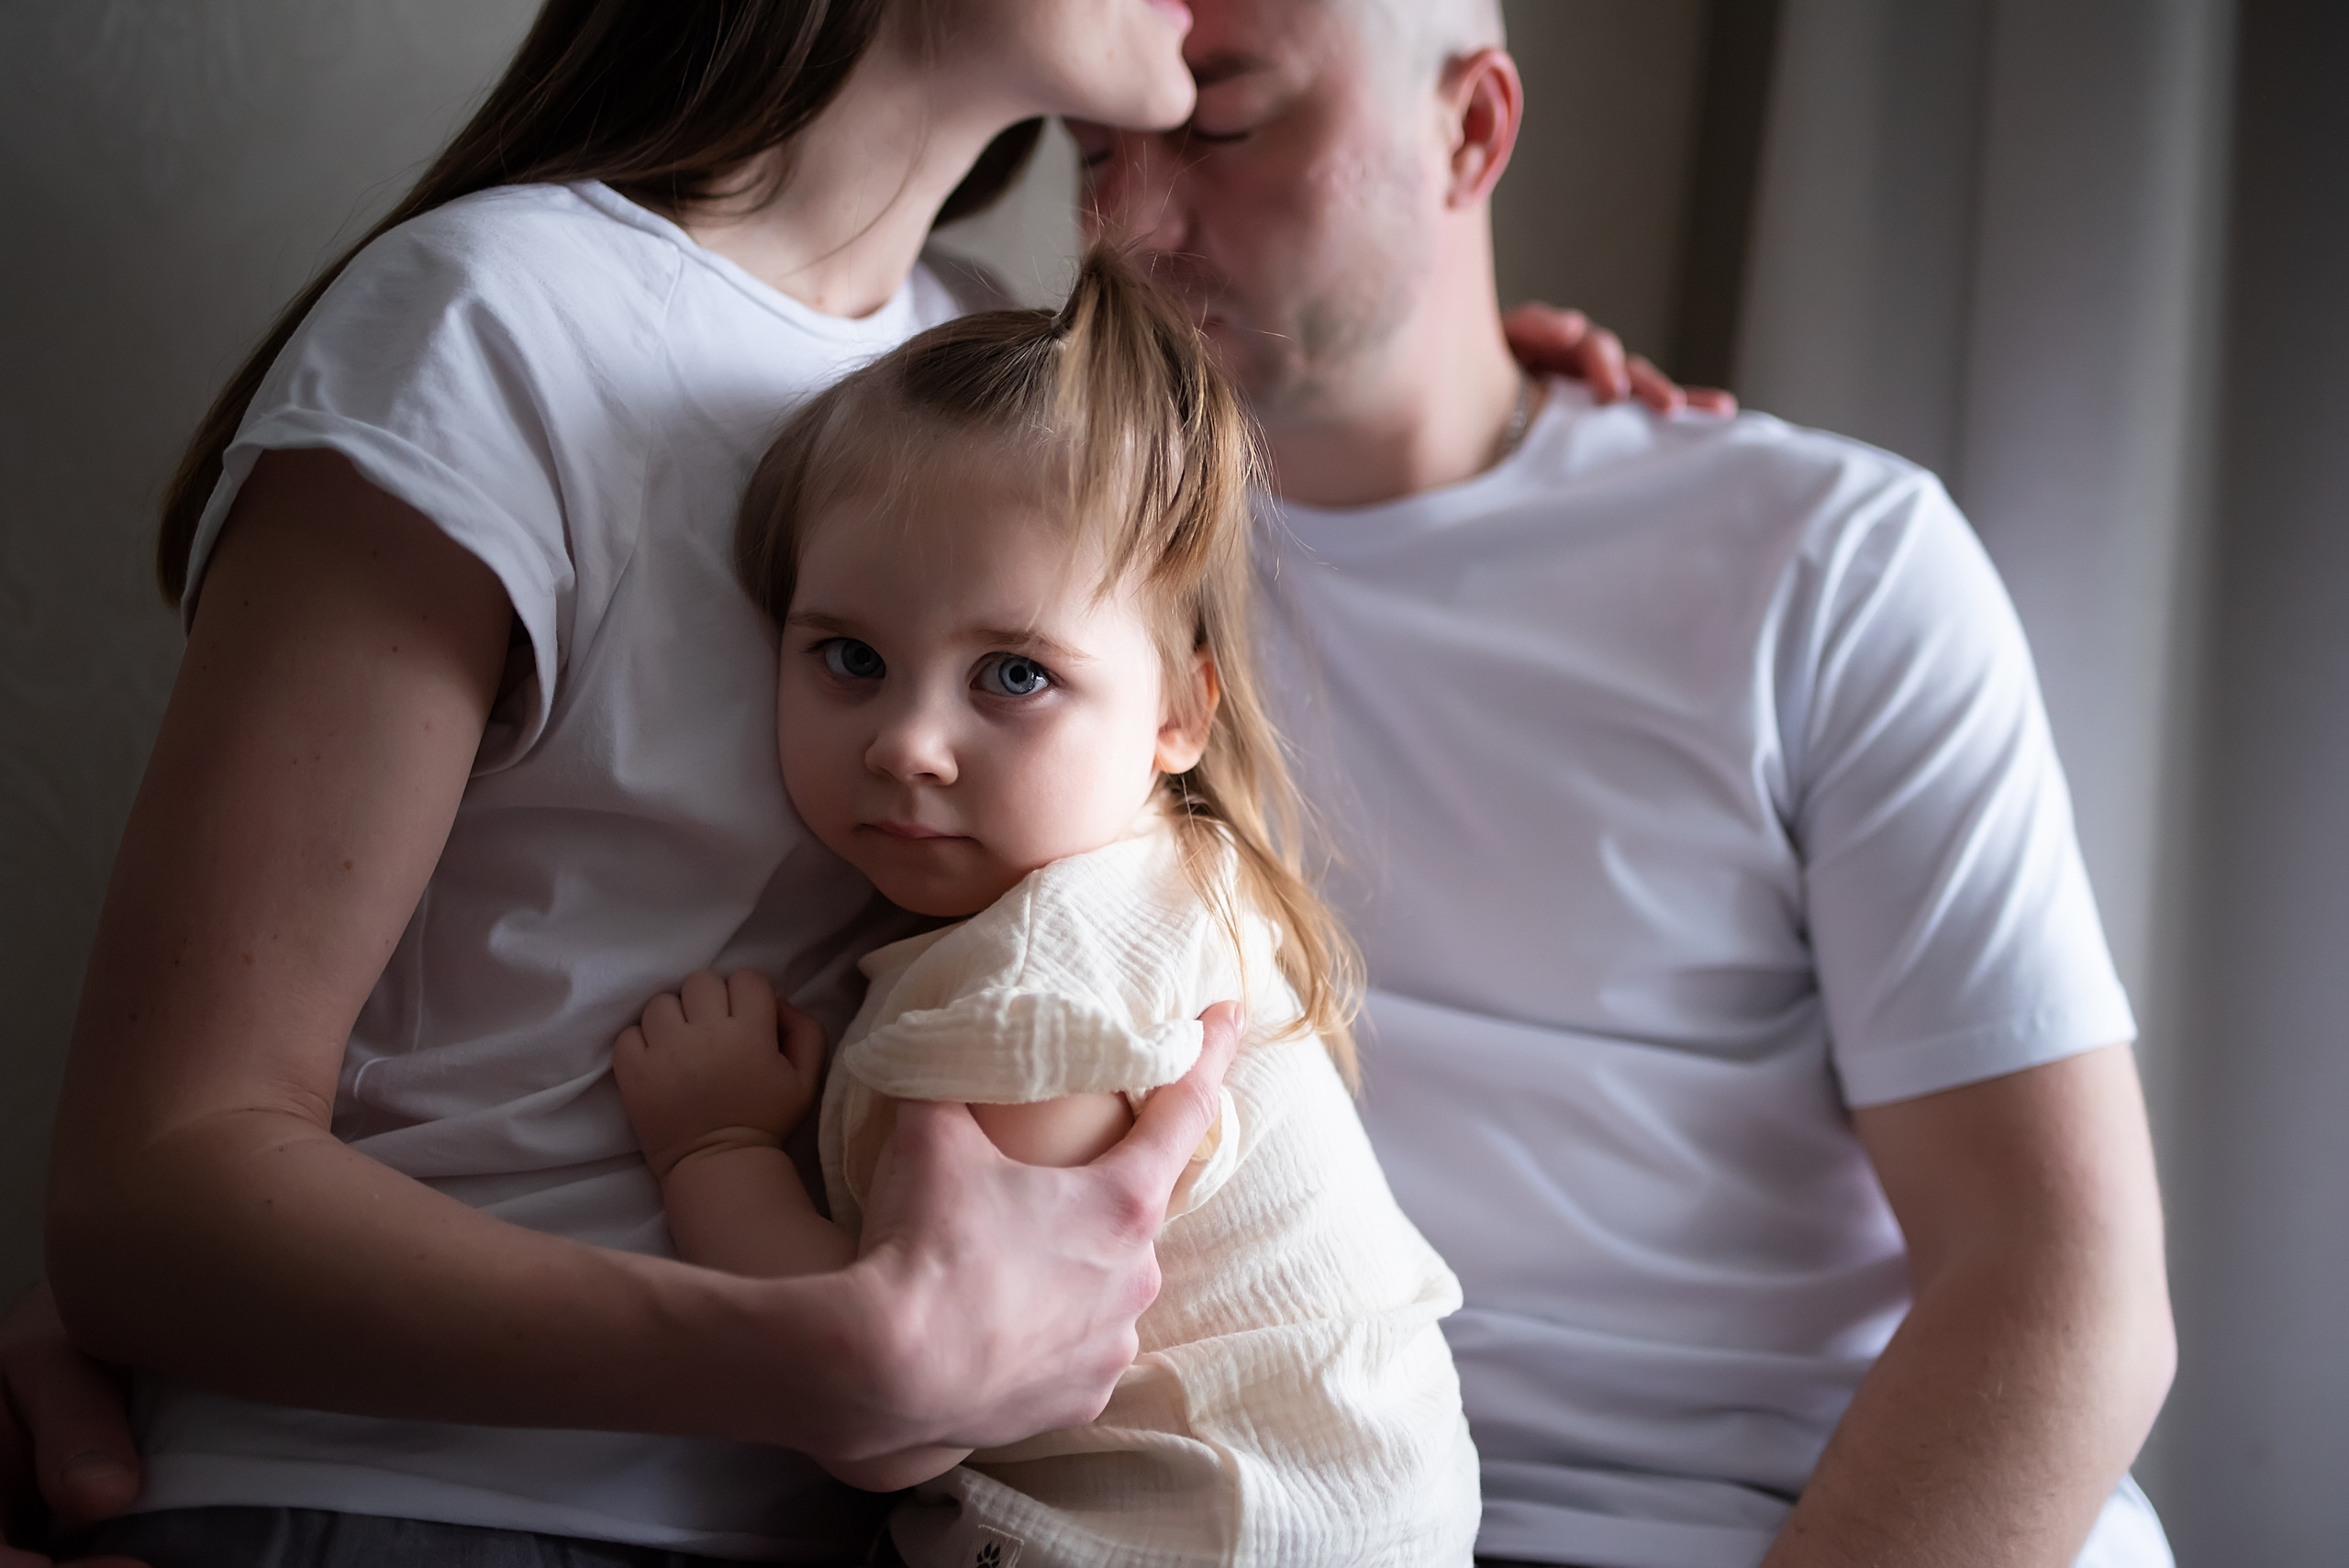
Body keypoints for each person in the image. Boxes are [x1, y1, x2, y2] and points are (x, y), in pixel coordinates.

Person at [25, 2, 1237, 1562]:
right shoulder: (497, 326)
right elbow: (148, 1197)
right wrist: (828, 1356)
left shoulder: (986, 370)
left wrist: (1552, 422)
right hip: (410, 1500)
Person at [1071, 2, 2177, 1566]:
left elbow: (2067, 1288)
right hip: (1329, 1515)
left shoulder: (1828, 565)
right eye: (1089, 148)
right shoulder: (1052, 585)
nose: (1125, 221)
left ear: (1471, 129)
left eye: (1221, 128)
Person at [616, 246, 1480, 1565]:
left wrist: (716, 1149)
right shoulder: (1168, 882)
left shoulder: (1043, 989)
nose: (908, 742)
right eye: (850, 657)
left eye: (1013, 675)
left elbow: (897, 1407)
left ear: (1178, 712)